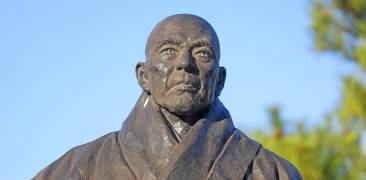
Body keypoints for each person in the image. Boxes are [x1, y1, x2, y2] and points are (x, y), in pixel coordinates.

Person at [33, 14, 302, 180]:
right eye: (168, 51)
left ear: (219, 80)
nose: (185, 63)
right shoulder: (76, 169)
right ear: (144, 76)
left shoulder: (271, 172)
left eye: (202, 53)